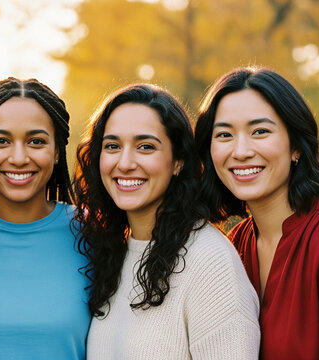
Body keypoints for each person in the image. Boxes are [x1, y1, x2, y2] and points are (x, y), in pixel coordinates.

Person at [75, 84, 260, 359]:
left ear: (178, 162)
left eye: (145, 147)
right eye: (112, 146)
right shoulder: (114, 253)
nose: (125, 163)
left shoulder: (209, 261)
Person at [195, 67, 319, 359]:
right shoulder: (231, 246)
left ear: (296, 147)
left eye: (259, 131)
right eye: (224, 134)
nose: (241, 151)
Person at [0, 77, 90, 359]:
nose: (18, 157)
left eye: (36, 141)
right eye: (1, 141)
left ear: (56, 153)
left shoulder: (93, 233)